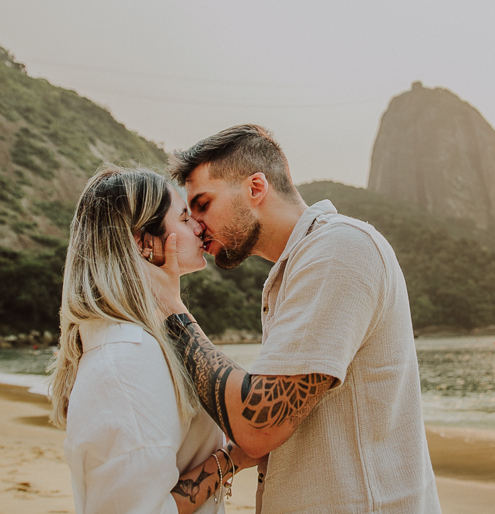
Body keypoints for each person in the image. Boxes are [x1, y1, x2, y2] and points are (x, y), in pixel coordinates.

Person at [158, 125, 441, 513]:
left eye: (204, 204)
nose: (197, 226)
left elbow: (259, 425)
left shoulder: (338, 249)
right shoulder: (298, 269)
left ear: (256, 188)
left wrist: (171, 310)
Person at [47, 165, 259, 514]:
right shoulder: (128, 359)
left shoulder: (144, 341)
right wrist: (231, 459)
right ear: (143, 242)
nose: (199, 227)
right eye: (184, 218)